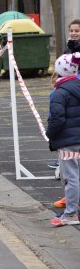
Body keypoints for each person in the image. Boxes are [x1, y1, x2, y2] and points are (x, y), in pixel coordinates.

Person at [46, 53, 80, 226]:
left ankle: (71, 213)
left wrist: (50, 134)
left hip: (68, 141)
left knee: (70, 177)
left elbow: (57, 119)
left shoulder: (60, 93)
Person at [47, 19, 80, 171]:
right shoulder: (69, 47)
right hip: (66, 87)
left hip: (73, 87)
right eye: (72, 30)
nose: (74, 33)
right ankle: (63, 154)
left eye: (77, 31)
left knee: (69, 120)